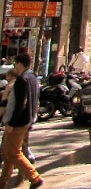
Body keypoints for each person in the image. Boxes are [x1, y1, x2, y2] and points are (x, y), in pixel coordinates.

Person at [0, 53, 43, 189]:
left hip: (18, 122)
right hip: (27, 120)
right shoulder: (33, 78)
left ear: (19, 63)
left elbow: (20, 104)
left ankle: (35, 178)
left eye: (15, 64)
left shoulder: (22, 80)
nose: (15, 67)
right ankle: (2, 182)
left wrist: (11, 123)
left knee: (14, 153)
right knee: (8, 153)